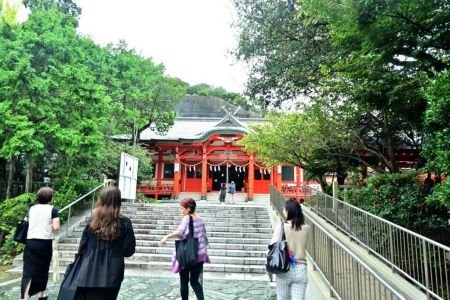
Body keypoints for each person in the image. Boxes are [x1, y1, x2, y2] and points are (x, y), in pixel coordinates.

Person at [74, 186, 136, 300]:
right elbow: (129, 250)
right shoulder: (125, 222)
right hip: (113, 271)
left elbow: (82, 247)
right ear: (118, 201)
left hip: (89, 269)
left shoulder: (92, 220)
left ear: (101, 200)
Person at [159, 198, 210, 300]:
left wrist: (166, 237)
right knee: (194, 282)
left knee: (184, 282)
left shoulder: (187, 218)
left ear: (189, 209)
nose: (181, 211)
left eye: (182, 208)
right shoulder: (200, 219)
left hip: (187, 255)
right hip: (200, 256)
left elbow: (180, 232)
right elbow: (205, 238)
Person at [21, 187, 60, 300]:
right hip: (44, 243)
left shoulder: (31, 209)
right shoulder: (53, 209)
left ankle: (24, 297)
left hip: (30, 242)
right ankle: (41, 295)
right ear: (50, 198)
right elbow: (56, 227)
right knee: (42, 269)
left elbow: (25, 223)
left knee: (28, 271)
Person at [270, 200, 310, 300]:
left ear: (289, 211)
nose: (283, 211)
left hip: (284, 267)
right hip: (301, 268)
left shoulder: (281, 226)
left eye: (284, 209)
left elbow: (272, 246)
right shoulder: (306, 228)